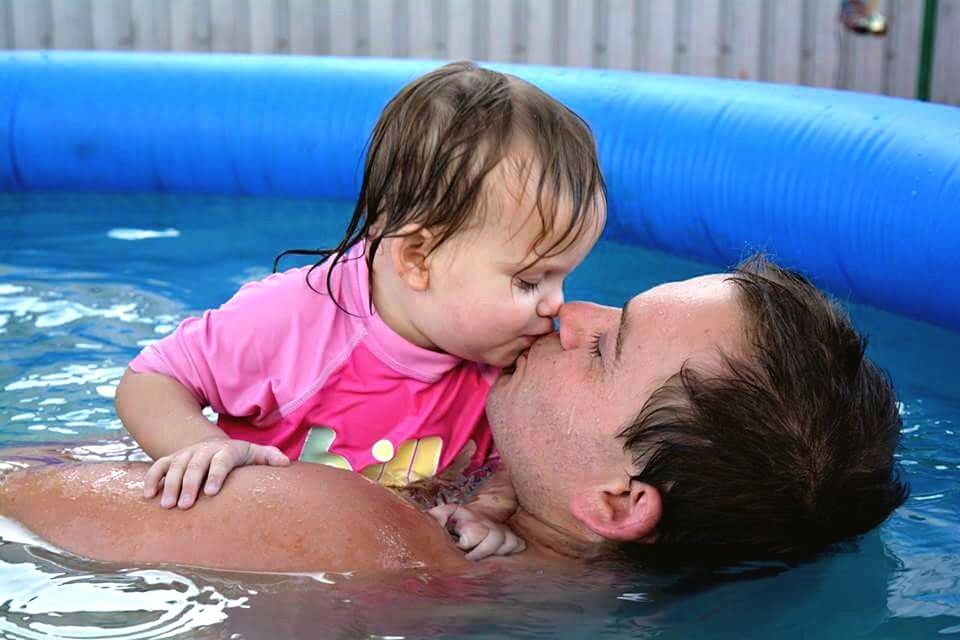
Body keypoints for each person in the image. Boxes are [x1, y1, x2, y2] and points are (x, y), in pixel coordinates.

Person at [0, 257, 908, 571]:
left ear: (622, 501)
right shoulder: (504, 535)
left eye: (606, 346)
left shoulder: (350, 528)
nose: (567, 312)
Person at [114, 61, 605, 559]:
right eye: (529, 280)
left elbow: (517, 461)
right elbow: (151, 379)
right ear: (418, 259)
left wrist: (485, 512)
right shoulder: (293, 321)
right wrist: (199, 445)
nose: (557, 304)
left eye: (564, 275)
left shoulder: (506, 360)